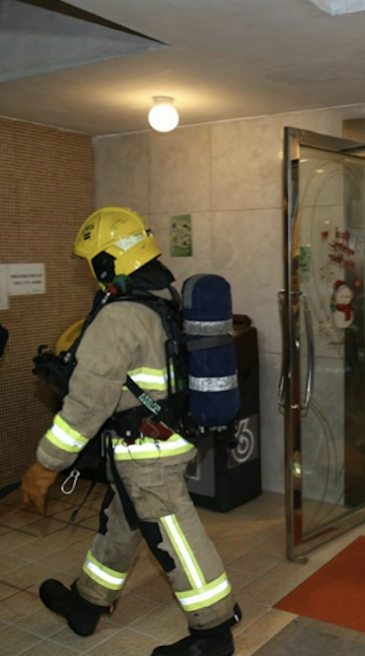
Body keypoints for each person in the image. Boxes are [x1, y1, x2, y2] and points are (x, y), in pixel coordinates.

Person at [20, 206, 241, 656]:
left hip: (148, 451)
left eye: (92, 262)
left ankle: (213, 631)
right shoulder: (163, 297)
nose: (91, 272)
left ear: (107, 261)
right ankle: (87, 603)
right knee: (120, 522)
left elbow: (87, 404)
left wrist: (46, 466)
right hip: (162, 437)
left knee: (174, 534)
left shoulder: (119, 316)